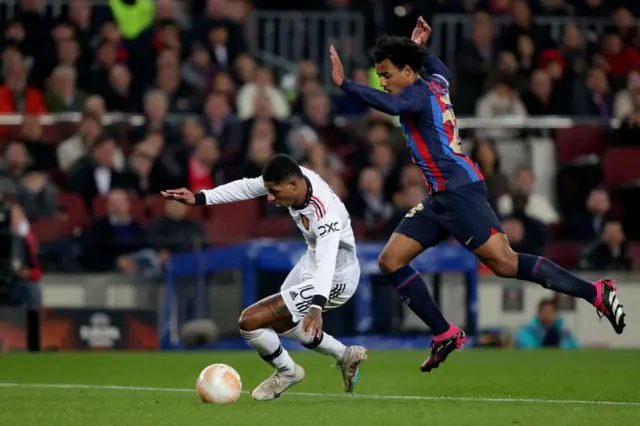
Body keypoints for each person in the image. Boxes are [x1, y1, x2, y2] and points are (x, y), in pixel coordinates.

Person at [330, 17, 626, 372]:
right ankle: (444, 333)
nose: (383, 81)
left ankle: (597, 292)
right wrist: (418, 47)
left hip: (459, 192)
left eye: (387, 73)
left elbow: (392, 107)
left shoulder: (416, 95)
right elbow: (434, 67)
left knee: (506, 263)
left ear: (407, 72)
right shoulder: (434, 82)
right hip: (441, 195)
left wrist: (345, 84)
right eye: (379, 75)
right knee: (390, 260)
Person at [162, 154, 366, 401]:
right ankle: (345, 355)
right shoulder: (293, 176)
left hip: (335, 278)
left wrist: (316, 306)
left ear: (293, 185)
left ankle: (288, 371)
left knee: (250, 321)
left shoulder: (325, 215)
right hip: (312, 264)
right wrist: (199, 198)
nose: (269, 198)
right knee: (285, 323)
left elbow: (326, 263)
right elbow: (248, 186)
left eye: (274, 192)